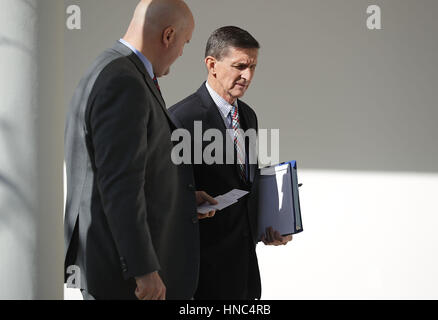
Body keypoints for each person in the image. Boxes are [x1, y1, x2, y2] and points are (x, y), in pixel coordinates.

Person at [64, 0, 216, 300]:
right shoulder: (124, 81)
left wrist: (182, 199)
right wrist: (143, 270)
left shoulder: (110, 67)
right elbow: (120, 184)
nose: (182, 53)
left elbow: (130, 169)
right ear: (168, 36)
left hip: (115, 267)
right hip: (125, 280)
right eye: (184, 43)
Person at [169, 26, 293, 300]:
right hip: (203, 275)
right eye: (239, 66)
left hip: (244, 269)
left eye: (253, 67)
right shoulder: (180, 119)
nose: (247, 76)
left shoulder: (248, 115)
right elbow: (166, 195)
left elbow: (245, 182)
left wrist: (271, 224)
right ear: (211, 65)